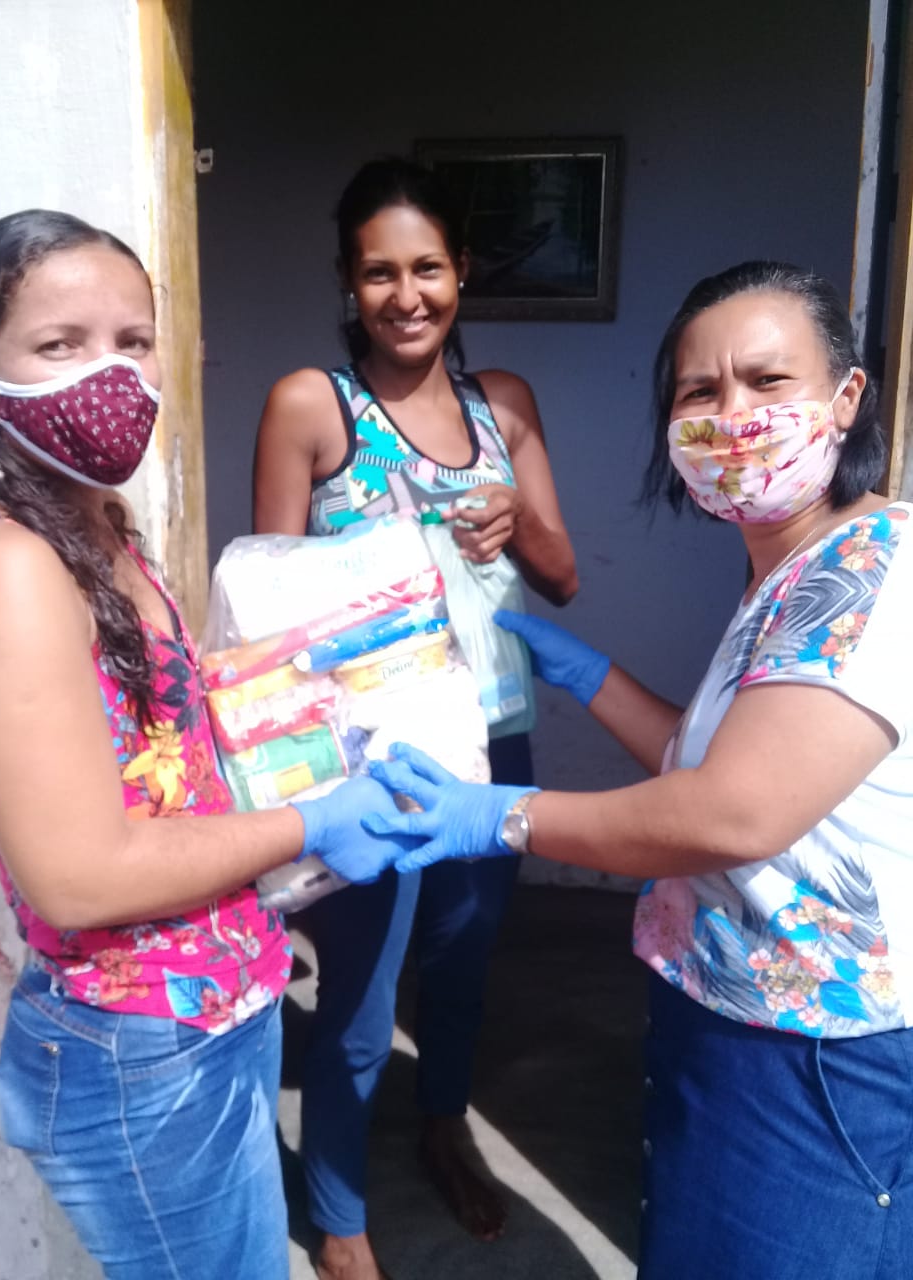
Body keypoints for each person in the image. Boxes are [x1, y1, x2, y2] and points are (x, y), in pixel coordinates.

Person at [360, 261, 913, 1280]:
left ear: (845, 398)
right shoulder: (789, 572)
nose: (731, 416)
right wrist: (591, 674)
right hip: (732, 1015)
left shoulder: (871, 572)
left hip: (817, 1053)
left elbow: (732, 811)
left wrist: (506, 814)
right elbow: (710, 759)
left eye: (767, 380)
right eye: (700, 391)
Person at [0, 209, 417, 1280]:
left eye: (133, 340)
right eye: (60, 344)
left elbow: (155, 755)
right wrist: (313, 819)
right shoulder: (4, 561)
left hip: (218, 1006)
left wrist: (300, 707)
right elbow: (77, 876)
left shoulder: (98, 526)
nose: (111, 374)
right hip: (138, 1044)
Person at [252, 157, 577, 1278]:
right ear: (349, 281)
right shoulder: (312, 405)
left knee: (465, 956)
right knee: (358, 991)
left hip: (493, 738)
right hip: (373, 757)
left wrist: (516, 518)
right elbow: (265, 602)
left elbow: (563, 576)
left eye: (427, 268)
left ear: (461, 271)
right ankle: (339, 1217)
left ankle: (443, 1125)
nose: (406, 295)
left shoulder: (505, 405)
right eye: (379, 272)